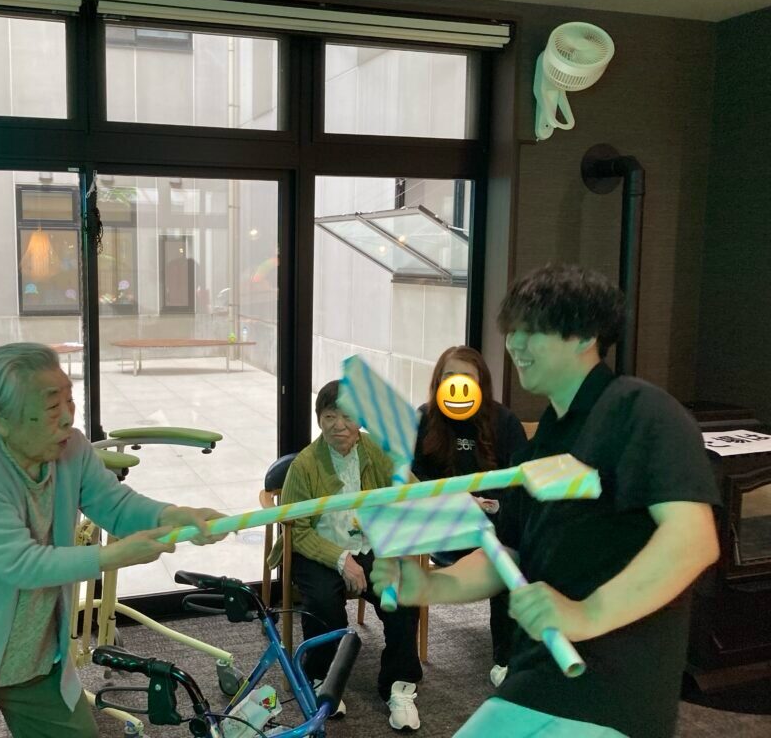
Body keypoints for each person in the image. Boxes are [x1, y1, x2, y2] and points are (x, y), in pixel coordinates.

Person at [372, 265, 720, 738]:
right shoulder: (539, 447)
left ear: (585, 336)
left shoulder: (640, 410)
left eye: (532, 330)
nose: (515, 344)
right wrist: (431, 585)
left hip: (613, 691)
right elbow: (507, 554)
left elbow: (693, 540)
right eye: (512, 330)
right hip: (535, 675)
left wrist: (586, 613)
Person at [0, 343, 226, 738]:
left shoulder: (72, 448)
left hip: (32, 655)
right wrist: (115, 555)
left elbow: (116, 505)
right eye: (53, 407)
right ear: (1, 418)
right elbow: (21, 564)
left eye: (69, 400)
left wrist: (171, 516)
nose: (68, 416)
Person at [269, 380, 423, 732]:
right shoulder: (305, 465)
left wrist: (458, 499)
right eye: (329, 416)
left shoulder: (375, 451)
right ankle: (322, 677)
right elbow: (297, 530)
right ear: (319, 420)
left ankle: (399, 685)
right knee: (323, 602)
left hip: (368, 545)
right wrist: (341, 560)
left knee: (402, 595)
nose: (339, 425)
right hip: (317, 549)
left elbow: (412, 487)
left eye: (348, 416)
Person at [411, 345, 528, 686]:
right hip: (443, 531)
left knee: (510, 553)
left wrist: (492, 504)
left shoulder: (504, 422)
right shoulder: (423, 420)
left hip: (495, 528)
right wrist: (452, 500)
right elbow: (410, 480)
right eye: (449, 376)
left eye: (466, 377)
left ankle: (508, 659)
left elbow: (520, 482)